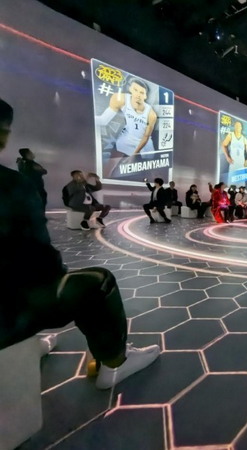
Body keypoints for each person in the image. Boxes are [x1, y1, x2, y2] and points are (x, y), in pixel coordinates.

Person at [0, 98, 160, 390]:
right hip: (9, 312)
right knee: (98, 282)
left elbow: (93, 189)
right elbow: (38, 257)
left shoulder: (62, 182)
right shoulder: (12, 184)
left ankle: (26, 345)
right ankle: (115, 361)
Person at [96, 78, 158, 176]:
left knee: (151, 168)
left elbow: (146, 137)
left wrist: (134, 154)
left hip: (144, 142)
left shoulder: (151, 114)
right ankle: (103, 179)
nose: (138, 94)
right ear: (130, 89)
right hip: (128, 136)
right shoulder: (121, 99)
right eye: (135, 90)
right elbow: (104, 120)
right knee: (111, 164)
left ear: (145, 96)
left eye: (142, 92)